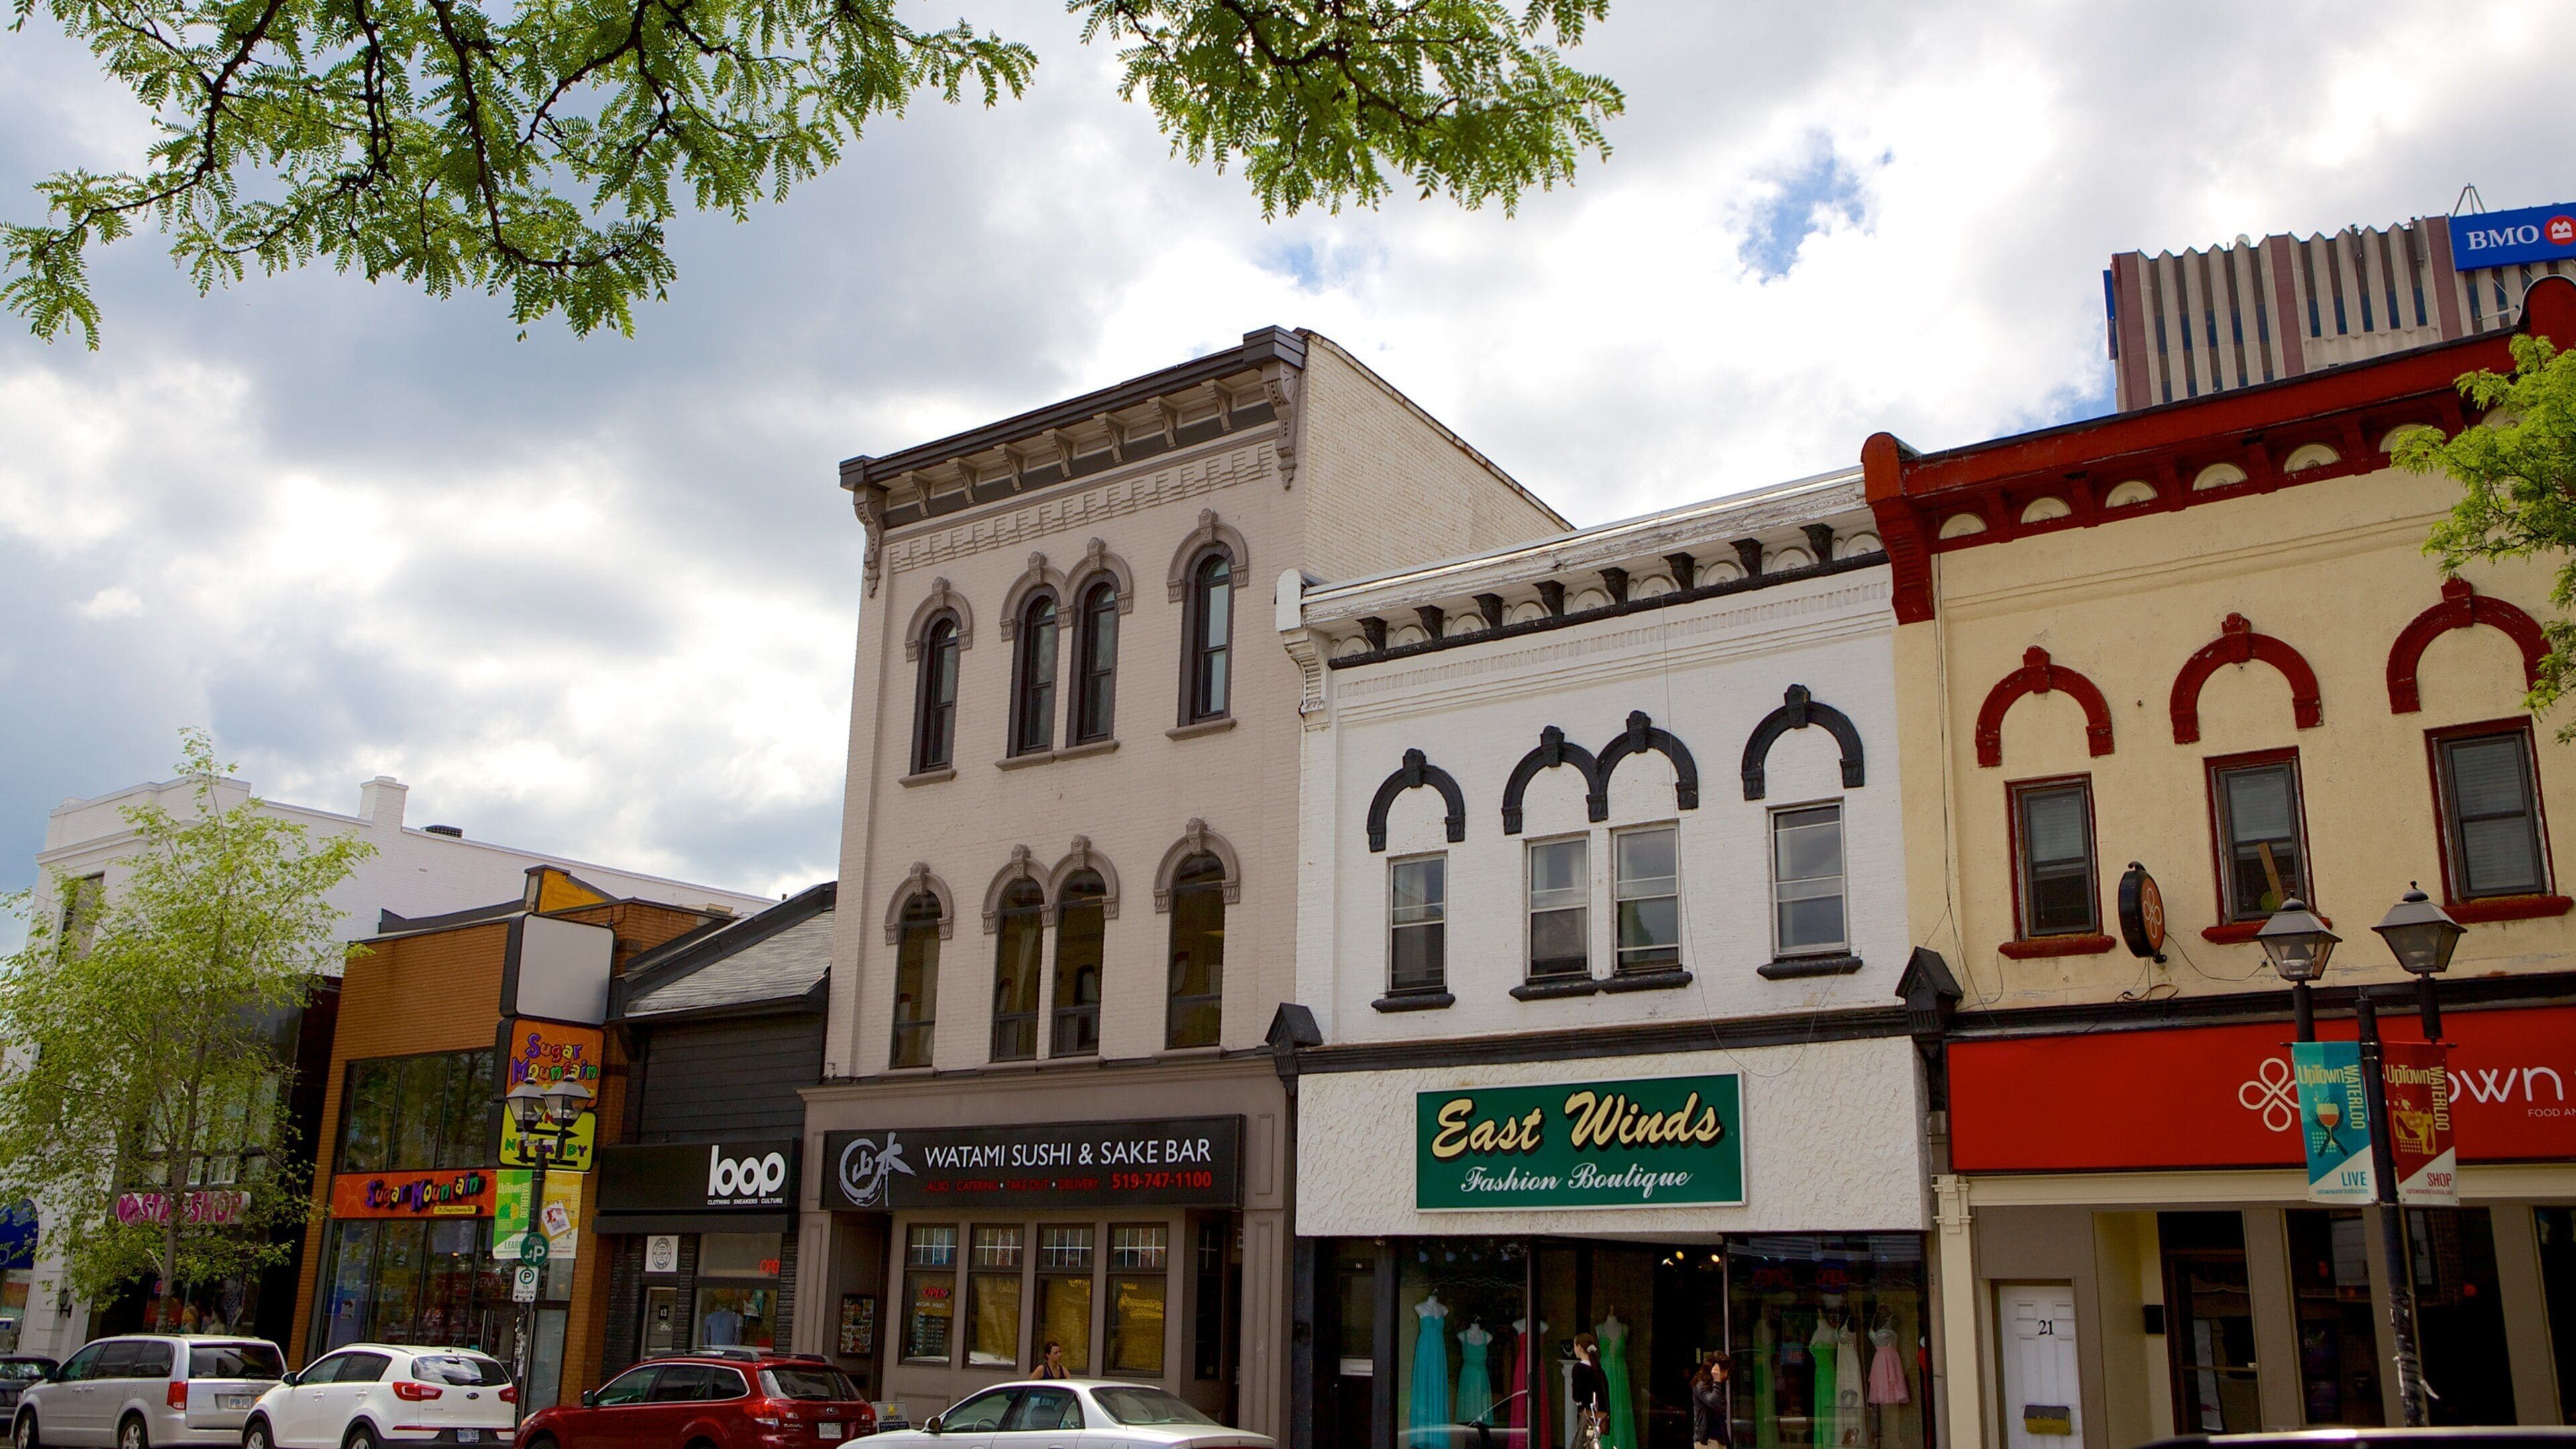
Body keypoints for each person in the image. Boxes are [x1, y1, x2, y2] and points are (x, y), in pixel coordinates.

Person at [1570, 1334, 1608, 1449]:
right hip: (1600, 1417)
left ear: (1580, 1347)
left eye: (1575, 1346)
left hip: (1587, 1414)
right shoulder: (1599, 1369)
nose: (1574, 1349)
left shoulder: (1578, 1369)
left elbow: (1577, 1396)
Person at [1691, 1353, 1733, 1449]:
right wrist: (1717, 1381)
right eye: (1723, 1371)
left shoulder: (1715, 1386)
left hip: (1720, 1438)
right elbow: (1714, 1403)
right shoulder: (1700, 1384)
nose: (1725, 1375)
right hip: (1707, 1440)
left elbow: (1721, 1410)